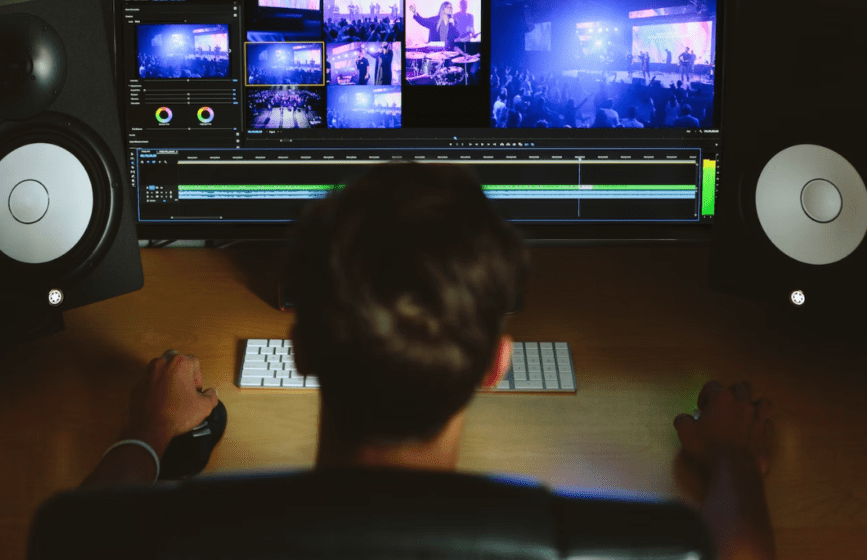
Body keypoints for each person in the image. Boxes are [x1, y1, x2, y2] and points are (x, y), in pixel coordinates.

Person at [78, 162, 776, 560]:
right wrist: (734, 460)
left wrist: (147, 433)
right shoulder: (616, 545)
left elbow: (81, 532)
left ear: (301, 348)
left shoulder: (183, 539)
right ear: (496, 365)